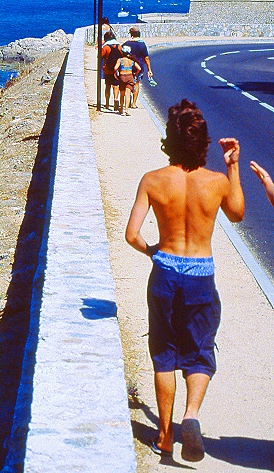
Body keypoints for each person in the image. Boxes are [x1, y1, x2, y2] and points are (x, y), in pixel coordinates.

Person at [124, 99, 244, 462]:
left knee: (163, 355)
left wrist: (154, 251)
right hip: (200, 275)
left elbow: (131, 235)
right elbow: (237, 214)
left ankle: (163, 436)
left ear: (169, 140)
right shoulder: (217, 182)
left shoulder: (153, 180)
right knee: (200, 352)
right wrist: (233, 166)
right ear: (203, 141)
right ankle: (190, 416)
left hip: (164, 272)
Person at [122, 27, 154, 107]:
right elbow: (146, 58)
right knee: (136, 83)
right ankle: (134, 103)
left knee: (127, 83)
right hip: (139, 66)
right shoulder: (142, 44)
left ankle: (127, 101)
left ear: (131, 34)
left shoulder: (126, 43)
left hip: (128, 66)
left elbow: (121, 53)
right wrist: (149, 70)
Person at [113, 50, 142, 116]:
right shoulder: (132, 61)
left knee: (122, 94)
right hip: (130, 77)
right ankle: (126, 110)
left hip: (122, 76)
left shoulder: (120, 60)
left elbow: (115, 68)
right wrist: (135, 74)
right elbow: (139, 68)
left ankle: (121, 108)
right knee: (128, 94)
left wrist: (116, 73)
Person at [100, 31, 123, 111]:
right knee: (116, 85)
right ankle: (116, 99)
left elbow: (100, 56)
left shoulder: (106, 47)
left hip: (107, 69)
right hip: (116, 70)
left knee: (108, 86)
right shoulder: (119, 46)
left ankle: (107, 104)